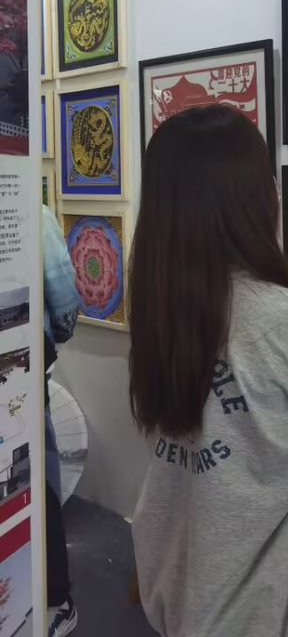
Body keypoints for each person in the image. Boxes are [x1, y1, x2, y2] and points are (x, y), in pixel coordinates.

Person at [129, 105, 288, 637]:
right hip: (265, 610)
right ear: (256, 199)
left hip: (171, 586)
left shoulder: (155, 306)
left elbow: (210, 432)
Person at [43, 204, 80, 637]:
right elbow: (66, 306)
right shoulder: (33, 214)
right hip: (25, 366)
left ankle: (55, 595)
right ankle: (55, 595)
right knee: (40, 479)